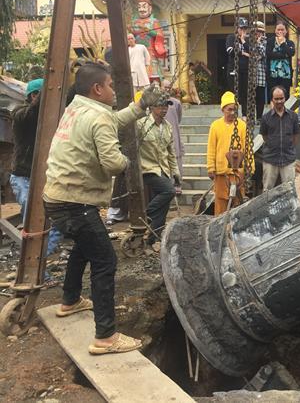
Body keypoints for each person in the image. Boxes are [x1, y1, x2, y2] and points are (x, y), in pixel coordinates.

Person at [43, 63, 159, 354]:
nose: (113, 90)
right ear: (97, 89)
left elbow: (111, 120)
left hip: (57, 198)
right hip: (76, 203)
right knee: (105, 260)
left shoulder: (76, 108)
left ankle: (70, 301)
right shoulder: (98, 117)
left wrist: (140, 107)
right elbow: (112, 163)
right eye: (109, 85)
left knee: (84, 248)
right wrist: (126, 161)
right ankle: (105, 337)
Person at [10, 78, 62, 285]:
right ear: (34, 96)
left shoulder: (49, 118)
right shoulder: (21, 114)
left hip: (43, 177)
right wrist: (50, 86)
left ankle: (36, 262)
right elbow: (31, 113)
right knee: (34, 223)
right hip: (23, 178)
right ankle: (32, 266)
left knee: (56, 224)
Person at [137, 98, 179, 247]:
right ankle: (145, 215)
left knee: (163, 208)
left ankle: (153, 239)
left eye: (166, 106)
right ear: (152, 107)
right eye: (161, 106)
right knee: (169, 191)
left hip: (163, 169)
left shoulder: (167, 126)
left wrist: (175, 172)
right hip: (147, 168)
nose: (164, 109)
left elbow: (171, 152)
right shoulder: (141, 124)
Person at [207, 91, 252, 215]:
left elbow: (248, 148)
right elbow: (211, 148)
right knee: (220, 205)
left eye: (234, 110)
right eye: (229, 109)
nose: (232, 112)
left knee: (238, 205)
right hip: (221, 173)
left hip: (238, 174)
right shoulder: (215, 126)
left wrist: (250, 167)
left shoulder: (241, 126)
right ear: (223, 109)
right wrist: (211, 167)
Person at [260, 86, 300, 191]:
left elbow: (296, 136)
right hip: (270, 159)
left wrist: (288, 147)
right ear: (272, 100)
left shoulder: (293, 116)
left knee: (290, 190)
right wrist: (273, 145)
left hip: (288, 159)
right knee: (267, 191)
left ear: (285, 98)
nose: (279, 101)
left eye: (281, 98)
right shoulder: (266, 118)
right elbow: (264, 136)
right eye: (276, 99)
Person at [226, 17, 249, 117]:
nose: (243, 31)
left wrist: (243, 41)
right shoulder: (231, 38)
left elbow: (252, 53)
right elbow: (230, 51)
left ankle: (245, 115)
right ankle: (233, 114)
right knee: (234, 94)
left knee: (245, 94)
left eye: (245, 28)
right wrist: (243, 53)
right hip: (234, 70)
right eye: (241, 28)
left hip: (245, 70)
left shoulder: (248, 40)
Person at [266, 21, 295, 100]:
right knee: (272, 96)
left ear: (286, 31)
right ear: (275, 30)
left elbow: (291, 53)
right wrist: (284, 55)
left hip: (286, 74)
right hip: (272, 74)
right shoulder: (270, 41)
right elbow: (269, 54)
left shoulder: (290, 43)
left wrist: (282, 43)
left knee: (285, 96)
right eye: (278, 29)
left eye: (282, 30)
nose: (280, 32)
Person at [163, 80, 184, 179]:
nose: (167, 89)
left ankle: (177, 182)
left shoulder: (176, 103)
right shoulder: (155, 103)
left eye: (169, 87)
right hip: (160, 133)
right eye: (165, 87)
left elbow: (179, 118)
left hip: (173, 132)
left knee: (176, 156)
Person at [254, 20, 268, 122]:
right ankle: (250, 117)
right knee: (250, 97)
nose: (257, 33)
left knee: (260, 97)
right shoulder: (248, 41)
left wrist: (258, 43)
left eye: (259, 31)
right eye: (256, 31)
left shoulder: (265, 42)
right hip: (250, 73)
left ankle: (259, 117)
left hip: (261, 73)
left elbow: (264, 54)